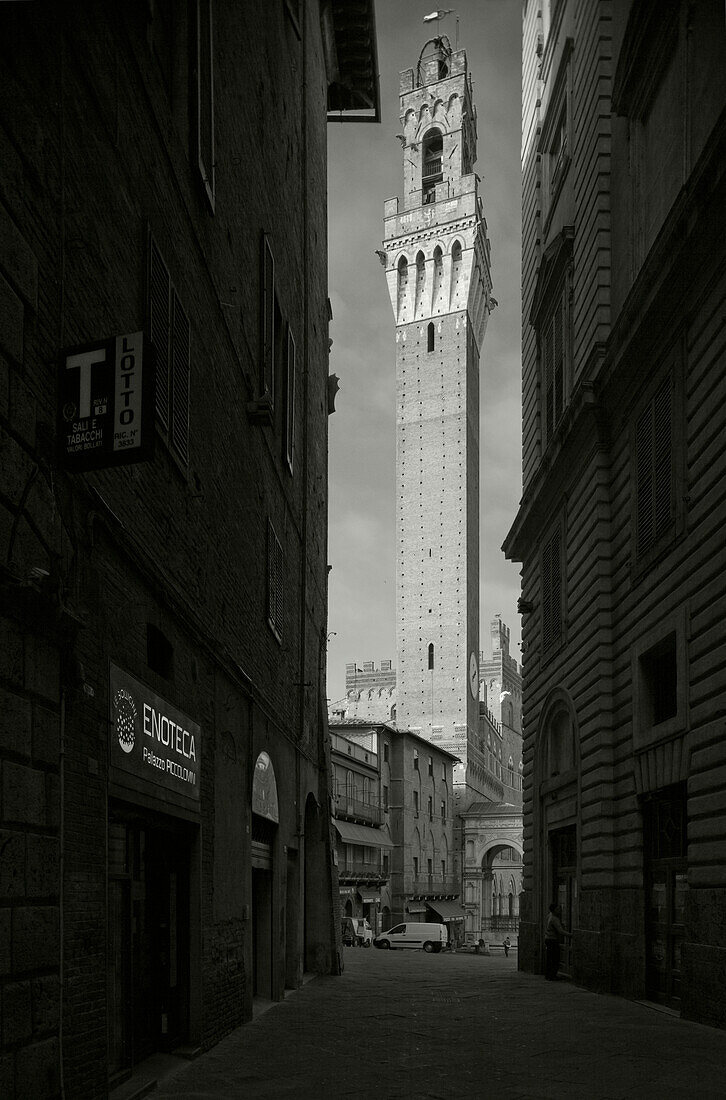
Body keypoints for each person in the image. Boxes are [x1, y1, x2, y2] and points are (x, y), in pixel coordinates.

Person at [544, 903, 570, 980]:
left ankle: (548, 975)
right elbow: (560, 931)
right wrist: (570, 935)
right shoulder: (554, 919)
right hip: (552, 940)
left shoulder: (549, 916)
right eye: (558, 909)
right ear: (554, 910)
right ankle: (552, 975)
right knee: (555, 958)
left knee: (550, 958)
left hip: (548, 938)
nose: (560, 910)